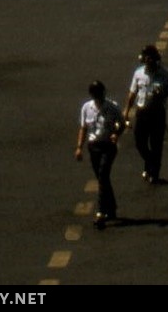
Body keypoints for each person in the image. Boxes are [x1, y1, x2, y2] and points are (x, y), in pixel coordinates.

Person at [126, 44, 168, 184]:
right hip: (142, 112)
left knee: (156, 144)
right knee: (139, 142)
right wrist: (126, 112)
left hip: (157, 113)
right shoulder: (138, 73)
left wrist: (162, 92)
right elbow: (132, 93)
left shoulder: (164, 74)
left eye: (150, 58)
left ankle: (154, 173)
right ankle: (150, 162)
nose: (147, 61)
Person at [74, 80, 123, 228]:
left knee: (102, 175)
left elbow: (121, 123)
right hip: (93, 146)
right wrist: (79, 148)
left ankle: (101, 211)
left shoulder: (112, 107)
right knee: (102, 178)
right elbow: (83, 128)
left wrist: (116, 134)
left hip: (108, 145)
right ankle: (112, 206)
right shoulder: (86, 108)